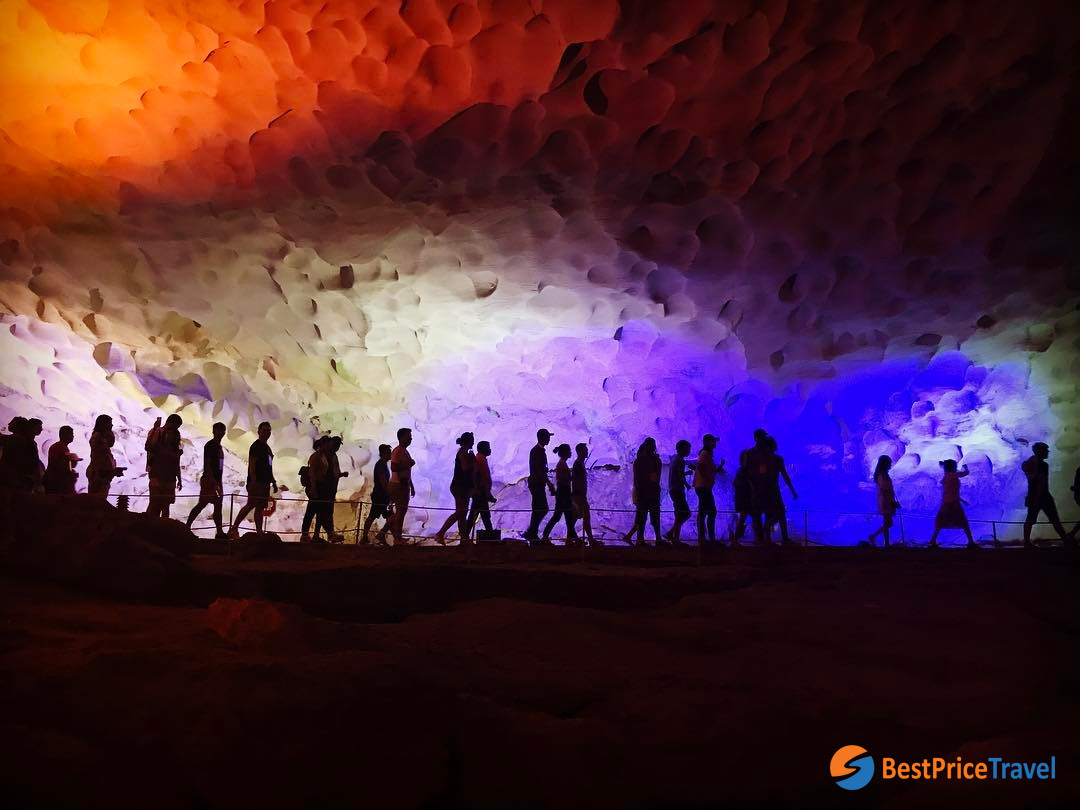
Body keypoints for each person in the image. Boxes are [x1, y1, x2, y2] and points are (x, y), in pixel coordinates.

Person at [228, 421, 277, 538]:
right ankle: (234, 528)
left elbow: (269, 467)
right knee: (251, 505)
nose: (267, 432)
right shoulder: (256, 446)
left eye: (268, 430)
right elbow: (252, 465)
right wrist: (253, 481)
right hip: (258, 482)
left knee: (259, 507)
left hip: (265, 482)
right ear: (259, 431)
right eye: (264, 430)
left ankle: (259, 531)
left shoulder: (267, 449)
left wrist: (273, 482)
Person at [1020, 443, 1075, 547]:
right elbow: (1035, 479)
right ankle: (1065, 540)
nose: (1048, 452)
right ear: (1039, 451)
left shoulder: (1035, 464)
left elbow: (1034, 479)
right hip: (1040, 496)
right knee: (1050, 519)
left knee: (1034, 519)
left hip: (1038, 496)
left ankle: (1027, 542)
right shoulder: (1035, 465)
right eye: (1046, 450)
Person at [186, 422, 227, 538]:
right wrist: (213, 480)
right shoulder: (210, 445)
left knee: (217, 506)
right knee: (203, 504)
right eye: (218, 430)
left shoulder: (218, 447)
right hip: (210, 480)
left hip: (216, 480)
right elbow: (208, 463)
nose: (220, 433)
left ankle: (219, 532)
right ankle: (187, 526)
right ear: (213, 431)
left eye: (222, 430)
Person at [435, 432, 476, 544]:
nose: (473, 442)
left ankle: (464, 538)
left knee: (462, 514)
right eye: (472, 440)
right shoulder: (464, 452)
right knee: (460, 512)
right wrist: (473, 461)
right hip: (460, 486)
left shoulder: (464, 452)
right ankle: (440, 533)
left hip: (462, 486)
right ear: (468, 441)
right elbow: (466, 468)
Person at [622, 437, 663, 546]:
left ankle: (641, 539)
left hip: (643, 492)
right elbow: (655, 478)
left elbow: (637, 480)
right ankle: (656, 538)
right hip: (651, 492)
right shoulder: (655, 461)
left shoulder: (639, 461)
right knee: (652, 517)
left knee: (641, 517)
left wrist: (636, 493)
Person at [379, 427, 415, 545]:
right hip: (398, 485)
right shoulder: (398, 451)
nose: (411, 438)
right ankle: (397, 538)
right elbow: (394, 467)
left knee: (400, 512)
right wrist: (408, 464)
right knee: (400, 512)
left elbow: (404, 470)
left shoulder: (404, 451)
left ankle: (384, 534)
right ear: (402, 437)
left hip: (402, 484)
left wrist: (411, 484)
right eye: (409, 436)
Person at [929, 460, 976, 548]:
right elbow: (965, 473)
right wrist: (966, 467)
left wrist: (944, 465)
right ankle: (971, 542)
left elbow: (951, 492)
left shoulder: (946, 476)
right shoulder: (953, 475)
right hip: (954, 504)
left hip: (946, 503)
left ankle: (933, 540)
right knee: (963, 522)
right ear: (953, 467)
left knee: (940, 522)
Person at [761, 436, 797, 544]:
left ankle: (772, 538)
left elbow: (762, 476)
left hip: (768, 490)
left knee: (776, 513)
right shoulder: (776, 460)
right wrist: (792, 490)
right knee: (779, 513)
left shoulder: (767, 460)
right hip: (771, 491)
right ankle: (779, 537)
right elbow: (785, 476)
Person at [146, 415, 183, 519]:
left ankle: (158, 529)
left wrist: (179, 478)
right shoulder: (159, 432)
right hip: (159, 474)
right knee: (156, 505)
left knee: (162, 505)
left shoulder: (173, 434)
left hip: (166, 475)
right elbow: (149, 447)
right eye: (177, 426)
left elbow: (176, 460)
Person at [542, 443, 579, 544]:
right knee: (562, 516)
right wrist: (572, 477)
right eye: (569, 451)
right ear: (566, 452)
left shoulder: (562, 463)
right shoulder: (562, 464)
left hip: (563, 492)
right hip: (563, 493)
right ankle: (545, 536)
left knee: (565, 516)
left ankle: (573, 538)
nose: (571, 452)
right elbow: (563, 479)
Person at [523, 428, 556, 543]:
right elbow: (540, 470)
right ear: (542, 438)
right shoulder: (537, 451)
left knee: (538, 508)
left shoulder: (538, 451)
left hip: (537, 483)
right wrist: (549, 483)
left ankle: (532, 532)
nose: (549, 439)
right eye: (547, 437)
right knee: (541, 508)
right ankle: (531, 532)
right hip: (537, 483)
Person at [744, 429, 773, 542]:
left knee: (768, 512)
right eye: (762, 436)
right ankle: (759, 537)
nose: (763, 439)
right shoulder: (750, 453)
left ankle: (766, 536)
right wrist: (751, 485)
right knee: (757, 514)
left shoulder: (766, 453)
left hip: (765, 486)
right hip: (755, 487)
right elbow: (746, 471)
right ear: (756, 438)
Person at [300, 437, 331, 543]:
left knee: (319, 511)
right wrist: (314, 487)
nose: (329, 447)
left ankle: (316, 535)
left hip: (321, 485)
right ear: (322, 445)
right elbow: (312, 473)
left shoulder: (323, 456)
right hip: (315, 485)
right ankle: (305, 534)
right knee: (311, 510)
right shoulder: (315, 456)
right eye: (327, 444)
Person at [86, 415, 125, 498]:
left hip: (102, 474)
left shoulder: (100, 437)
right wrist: (108, 471)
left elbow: (110, 444)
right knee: (97, 500)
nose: (112, 425)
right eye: (109, 424)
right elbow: (100, 459)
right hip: (99, 475)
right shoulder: (97, 437)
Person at [692, 433, 721, 544]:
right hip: (703, 487)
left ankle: (703, 538)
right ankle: (708, 538)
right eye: (713, 441)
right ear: (708, 442)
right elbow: (701, 467)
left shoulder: (706, 454)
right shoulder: (705, 454)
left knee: (704, 512)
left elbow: (707, 469)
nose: (715, 443)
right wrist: (706, 478)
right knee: (711, 512)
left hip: (703, 486)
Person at [361, 444, 393, 543]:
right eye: (388, 452)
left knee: (389, 517)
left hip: (381, 495)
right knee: (375, 516)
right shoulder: (380, 465)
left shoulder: (382, 464)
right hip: (380, 496)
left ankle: (383, 536)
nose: (390, 454)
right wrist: (390, 494)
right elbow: (383, 482)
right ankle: (366, 537)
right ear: (383, 453)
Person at [571, 443, 600, 546]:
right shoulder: (578, 464)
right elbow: (576, 480)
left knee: (574, 518)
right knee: (585, 517)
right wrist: (579, 495)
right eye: (585, 450)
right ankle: (590, 540)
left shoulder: (580, 463)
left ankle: (570, 539)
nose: (587, 452)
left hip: (579, 495)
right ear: (580, 452)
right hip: (579, 496)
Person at [663, 439, 692, 543]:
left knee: (680, 513)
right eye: (688, 448)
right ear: (683, 448)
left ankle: (672, 534)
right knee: (684, 513)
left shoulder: (675, 458)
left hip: (674, 489)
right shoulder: (680, 460)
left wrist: (686, 483)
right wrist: (686, 478)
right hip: (677, 490)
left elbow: (677, 474)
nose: (689, 450)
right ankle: (675, 538)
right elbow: (679, 475)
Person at [867, 455, 900, 547]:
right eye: (889, 463)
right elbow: (884, 489)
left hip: (887, 500)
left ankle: (881, 540)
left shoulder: (883, 474)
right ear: (885, 464)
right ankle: (881, 540)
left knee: (888, 523)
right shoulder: (882, 475)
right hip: (886, 501)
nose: (890, 464)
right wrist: (892, 502)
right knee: (888, 523)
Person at [465, 440, 496, 537]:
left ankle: (465, 537)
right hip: (480, 493)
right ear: (483, 449)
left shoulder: (480, 458)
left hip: (480, 493)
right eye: (488, 447)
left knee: (475, 516)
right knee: (483, 516)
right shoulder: (480, 460)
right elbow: (482, 477)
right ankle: (491, 538)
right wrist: (486, 493)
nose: (489, 449)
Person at [43, 425, 80, 495]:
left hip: (52, 479)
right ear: (65, 435)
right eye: (71, 434)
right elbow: (61, 465)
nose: (73, 436)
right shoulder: (61, 447)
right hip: (55, 481)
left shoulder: (59, 446)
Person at [323, 436, 348, 542]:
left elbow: (333, 472)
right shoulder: (328, 455)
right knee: (325, 511)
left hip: (332, 487)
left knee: (328, 511)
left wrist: (341, 474)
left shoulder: (333, 455)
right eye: (336, 444)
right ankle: (329, 533)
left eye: (338, 445)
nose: (337, 447)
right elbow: (328, 473)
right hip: (327, 487)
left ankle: (330, 533)